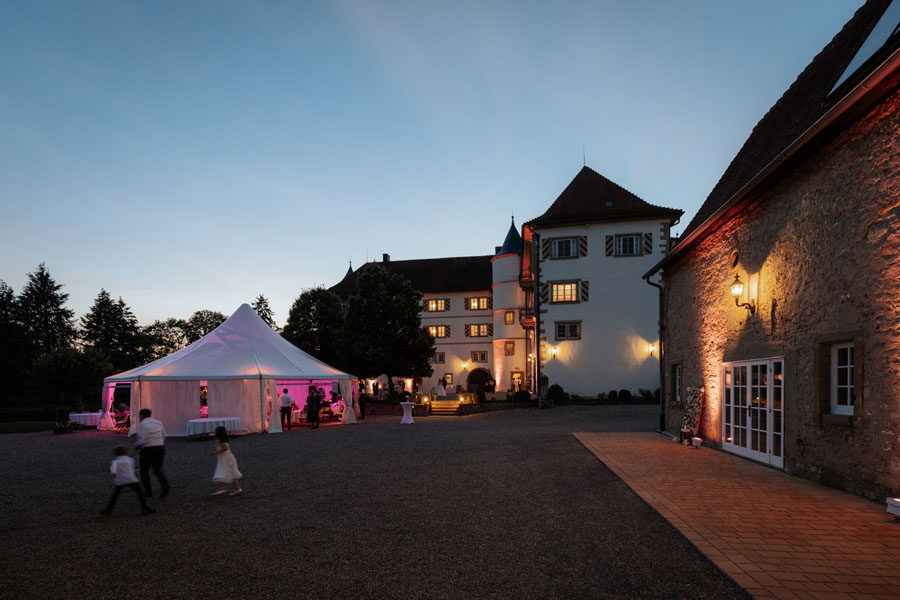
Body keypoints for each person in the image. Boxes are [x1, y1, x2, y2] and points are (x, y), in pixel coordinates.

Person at [102, 446, 155, 516]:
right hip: (132, 480)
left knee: (115, 496)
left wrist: (115, 477)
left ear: (116, 454)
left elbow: (113, 472)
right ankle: (145, 508)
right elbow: (131, 470)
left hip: (120, 481)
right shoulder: (130, 460)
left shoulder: (115, 462)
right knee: (140, 495)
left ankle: (108, 510)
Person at [132, 408, 170, 500]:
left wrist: (136, 447)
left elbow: (143, 439)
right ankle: (165, 485)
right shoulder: (158, 422)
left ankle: (148, 491)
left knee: (144, 471)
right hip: (160, 447)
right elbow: (164, 435)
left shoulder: (142, 425)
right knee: (157, 469)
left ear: (141, 415)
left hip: (147, 450)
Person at [210, 426, 242, 496]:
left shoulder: (221, 441)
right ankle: (236, 489)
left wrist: (215, 452)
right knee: (231, 472)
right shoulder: (223, 439)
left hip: (225, 458)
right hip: (227, 457)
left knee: (226, 472)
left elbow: (225, 448)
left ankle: (224, 489)